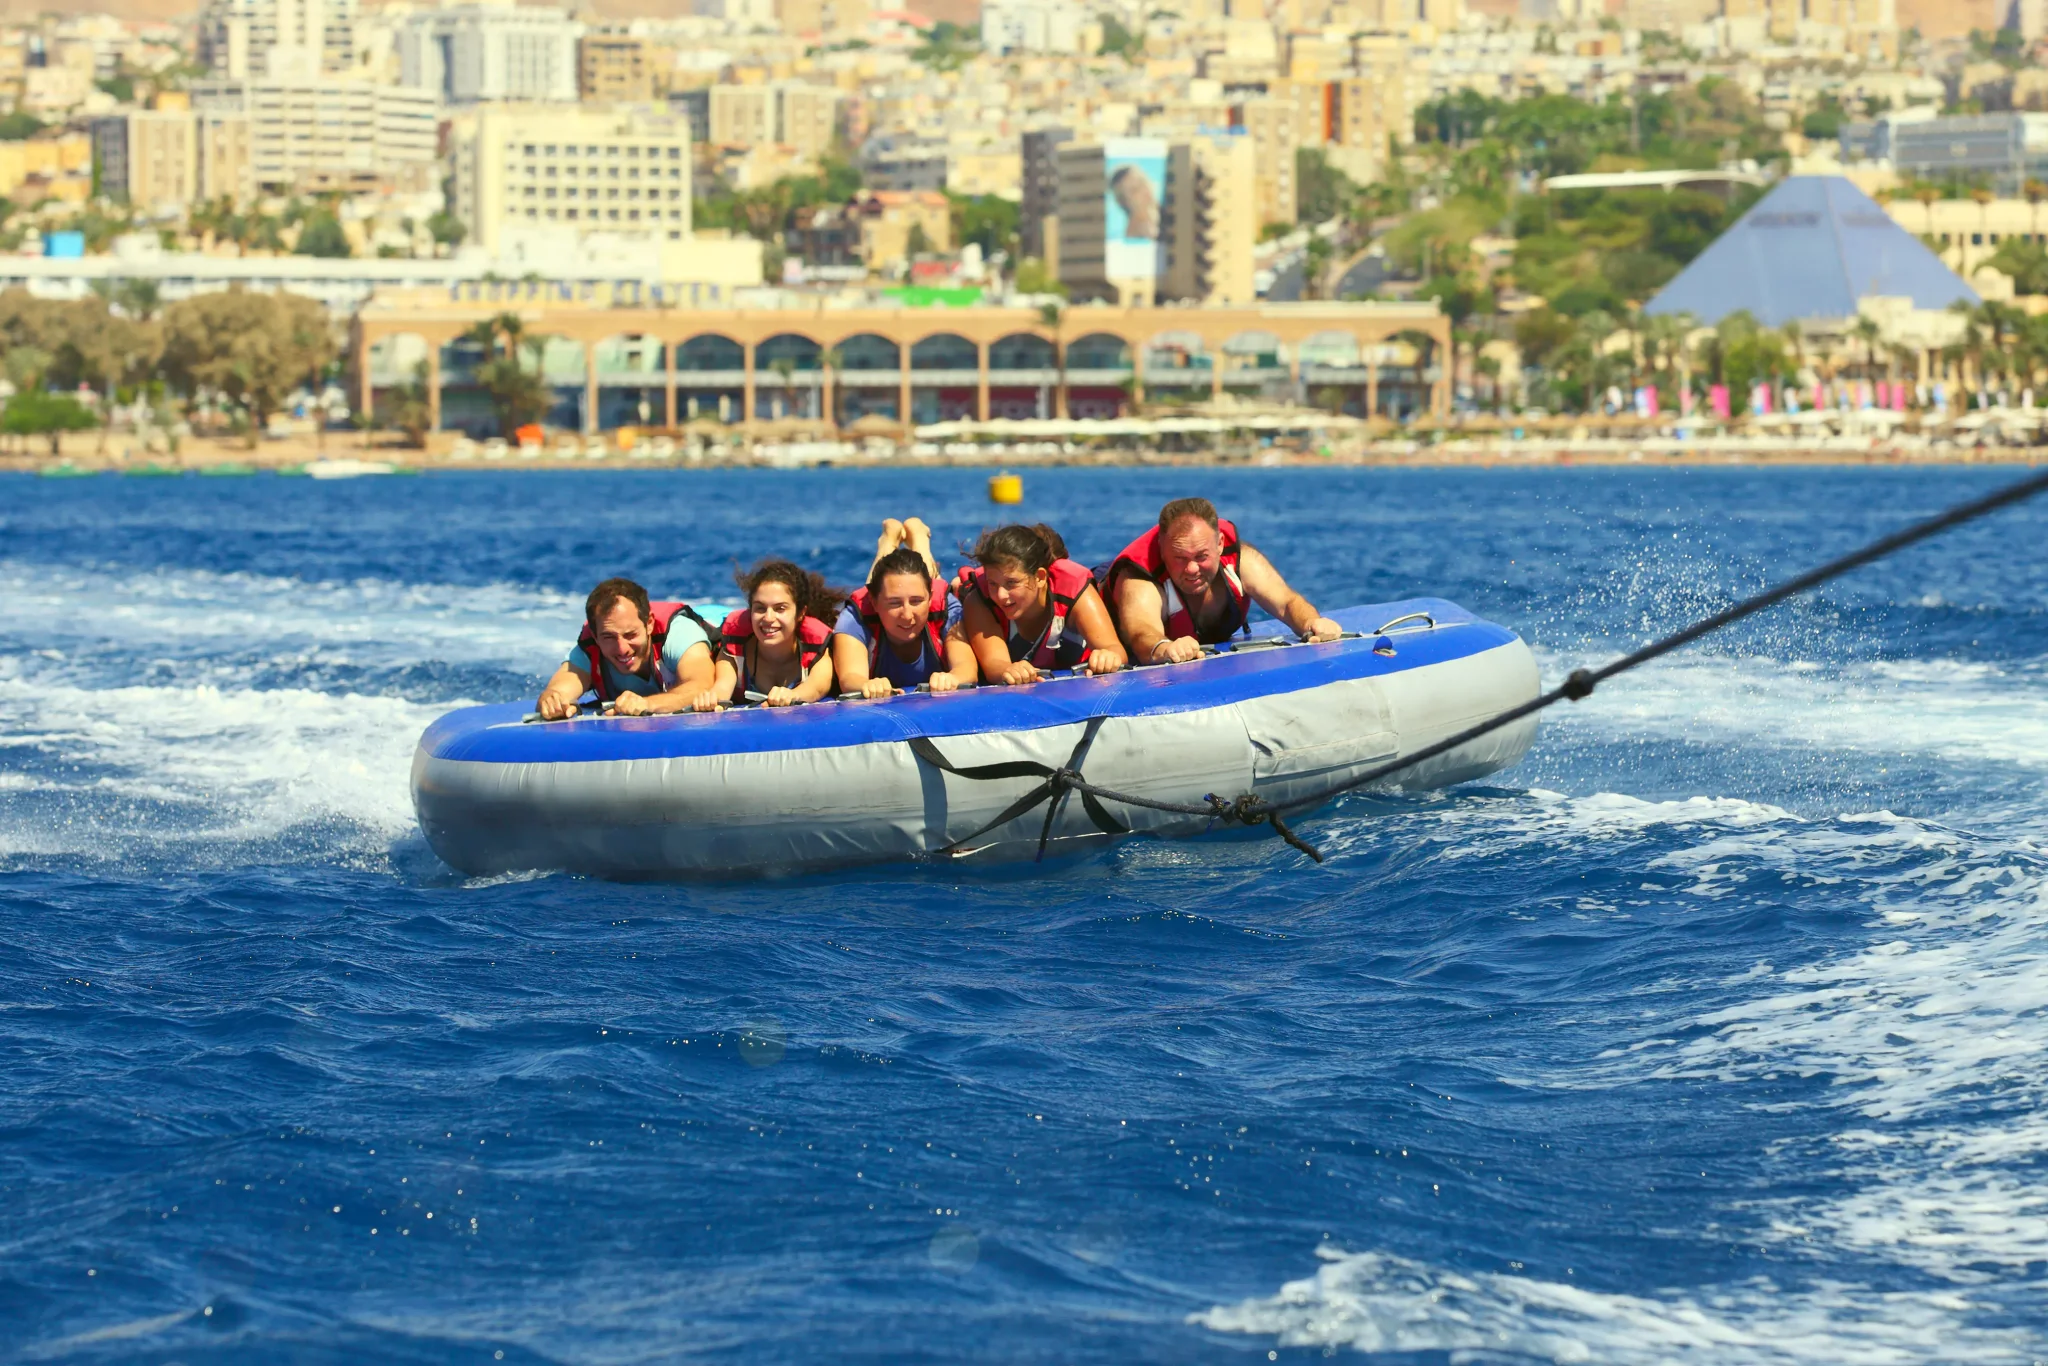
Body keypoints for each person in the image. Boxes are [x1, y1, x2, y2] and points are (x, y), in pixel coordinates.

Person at [1102, 497, 1343, 665]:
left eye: (1201, 556)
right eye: (1179, 558)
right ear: (1161, 548)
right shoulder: (1138, 580)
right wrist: (1165, 649)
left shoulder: (1241, 560)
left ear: (1219, 545)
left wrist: (1312, 622)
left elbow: (1287, 602)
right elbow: (1142, 634)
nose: (1192, 568)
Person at [956, 523, 1126, 685]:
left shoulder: (1074, 591)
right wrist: (1009, 670)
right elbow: (995, 665)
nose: (1000, 595)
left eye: (1011, 583)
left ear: (1040, 577)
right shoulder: (979, 599)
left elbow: (1113, 648)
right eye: (992, 583)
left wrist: (1107, 657)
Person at [832, 519, 979, 697]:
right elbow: (849, 678)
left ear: (930, 598)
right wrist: (866, 684)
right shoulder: (855, 616)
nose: (907, 615)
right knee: (884, 586)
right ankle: (888, 542)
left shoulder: (945, 607)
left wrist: (953, 678)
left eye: (917, 602)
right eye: (894, 604)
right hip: (875, 601)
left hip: (927, 594)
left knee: (912, 582)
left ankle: (919, 539)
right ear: (876, 603)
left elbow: (967, 669)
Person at [536, 577, 718, 720]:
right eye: (608, 637)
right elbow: (557, 692)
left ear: (649, 624)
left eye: (630, 635)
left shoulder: (678, 633)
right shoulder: (589, 649)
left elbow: (702, 686)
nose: (622, 649)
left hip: (716, 620)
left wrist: (647, 704)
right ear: (594, 635)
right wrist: (552, 703)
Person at [693, 559, 838, 710]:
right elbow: (722, 687)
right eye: (760, 608)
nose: (768, 618)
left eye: (780, 609)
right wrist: (711, 699)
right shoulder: (734, 651)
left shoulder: (818, 651)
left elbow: (816, 688)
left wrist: (792, 695)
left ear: (800, 613)